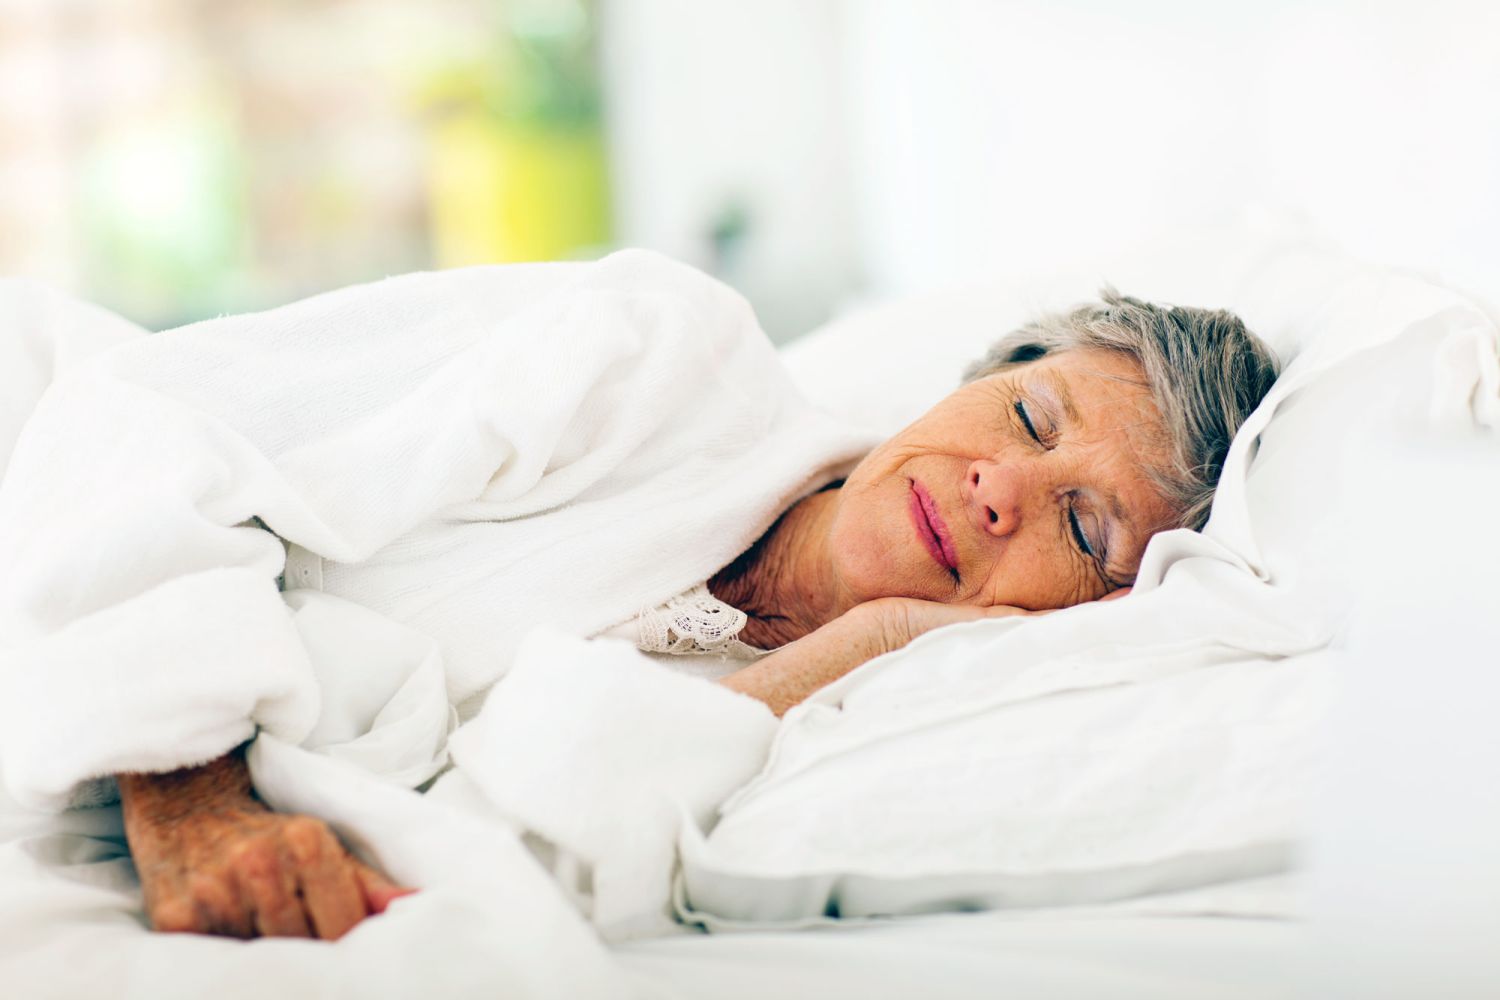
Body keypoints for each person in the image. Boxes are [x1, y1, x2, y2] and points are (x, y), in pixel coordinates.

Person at [0, 253, 1278, 942]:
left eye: (1082, 526)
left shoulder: (871, 724)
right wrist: (188, 792)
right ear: (967, 380)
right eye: (1028, 416)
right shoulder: (661, 354)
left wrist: (866, 642)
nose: (1003, 487)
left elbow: (513, 849)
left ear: (1097, 614)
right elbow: (151, 419)